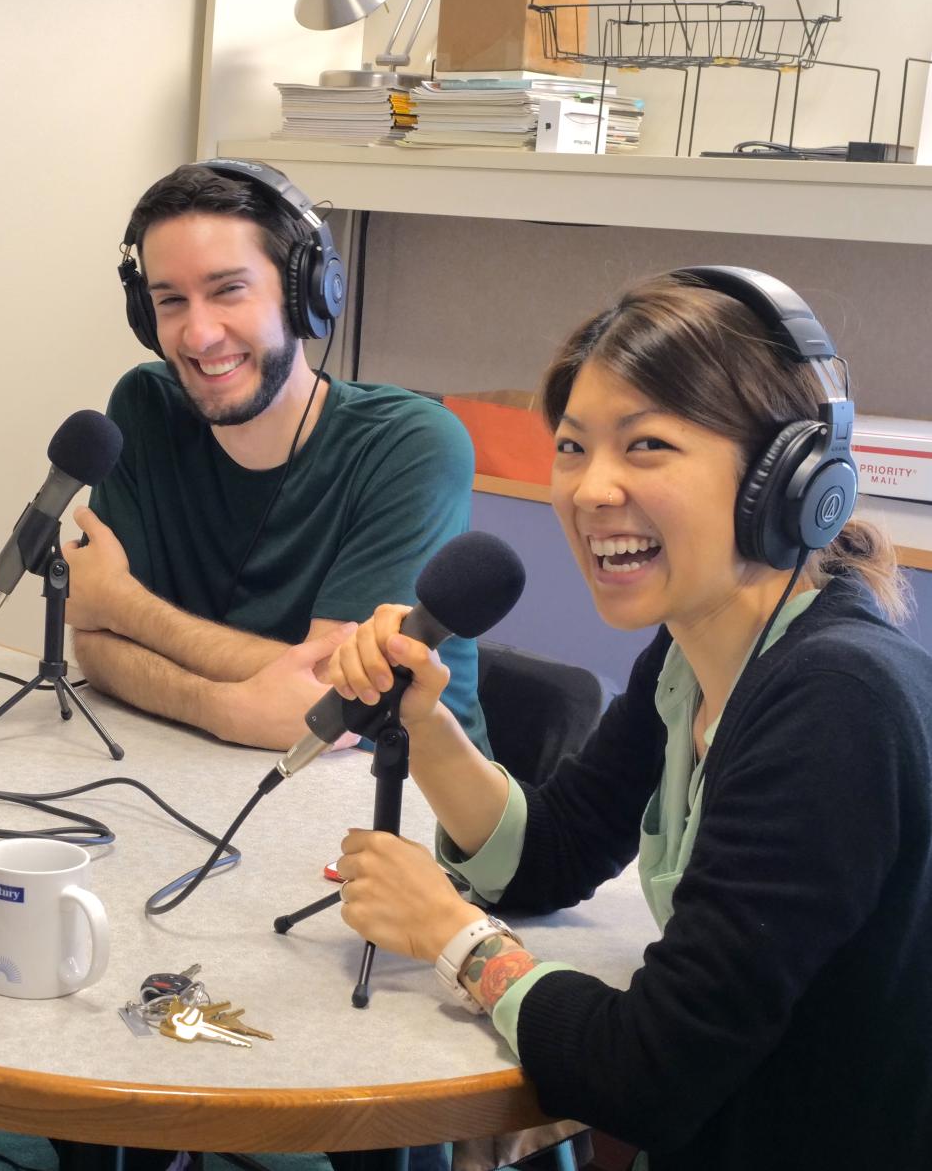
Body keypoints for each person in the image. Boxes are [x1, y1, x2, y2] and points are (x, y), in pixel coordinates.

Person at [323, 268, 932, 1166]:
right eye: (571, 448)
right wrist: (422, 723)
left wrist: (450, 936)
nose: (588, 489)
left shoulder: (835, 701)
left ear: (785, 476)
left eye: (644, 445)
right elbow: (555, 852)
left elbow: (649, 1071)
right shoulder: (694, 649)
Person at [65, 159, 489, 755]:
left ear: (304, 292)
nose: (199, 335)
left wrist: (123, 604)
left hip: (395, 798)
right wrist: (222, 708)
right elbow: (93, 644)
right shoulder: (145, 406)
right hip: (197, 765)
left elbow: (337, 697)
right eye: (170, 301)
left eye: (228, 290)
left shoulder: (412, 445)